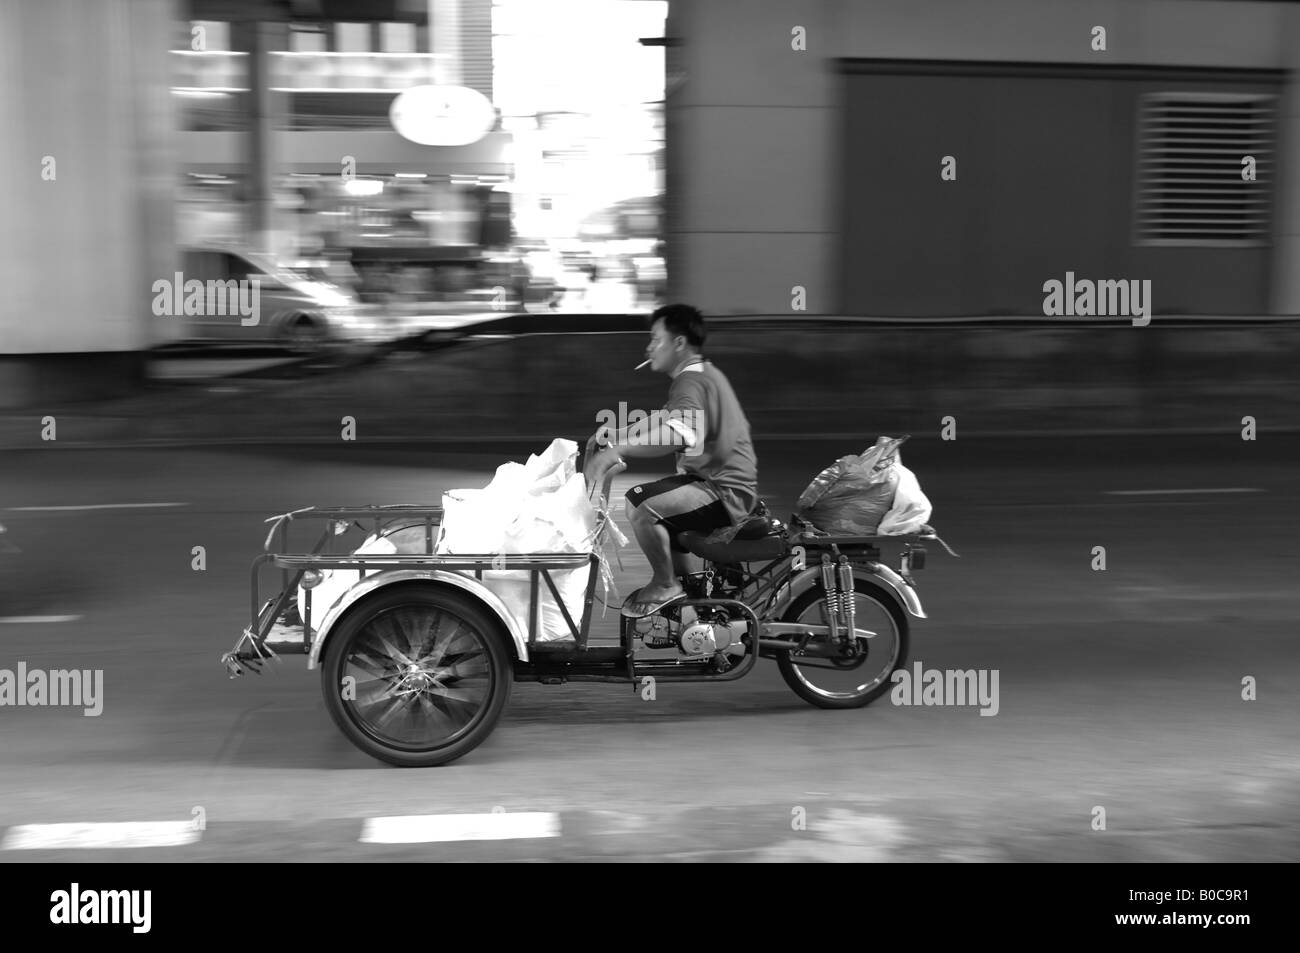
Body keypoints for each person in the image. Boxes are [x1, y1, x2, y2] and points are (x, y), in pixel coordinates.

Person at [586, 304, 759, 618]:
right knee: (660, 503)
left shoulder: (691, 381)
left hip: (722, 490)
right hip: (715, 485)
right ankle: (696, 603)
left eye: (656, 339)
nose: (649, 347)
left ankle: (666, 584)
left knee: (641, 504)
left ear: (679, 344)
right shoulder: (700, 376)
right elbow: (665, 418)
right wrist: (618, 432)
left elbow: (678, 434)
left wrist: (617, 451)